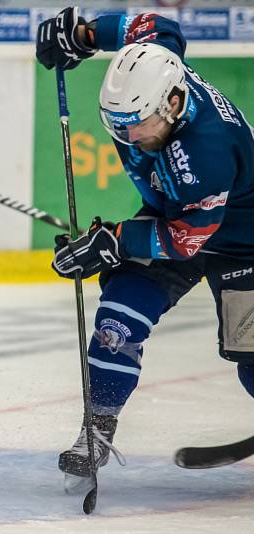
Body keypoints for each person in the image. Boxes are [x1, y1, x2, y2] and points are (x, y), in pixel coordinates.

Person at [36, 7, 254, 487]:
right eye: (119, 125)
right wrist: (84, 35)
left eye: (138, 125)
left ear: (174, 104)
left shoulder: (207, 151)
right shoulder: (159, 71)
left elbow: (185, 239)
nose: (129, 137)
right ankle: (97, 427)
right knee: (119, 314)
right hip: (172, 215)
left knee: (252, 360)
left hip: (243, 241)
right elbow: (157, 27)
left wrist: (114, 241)